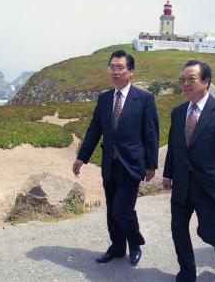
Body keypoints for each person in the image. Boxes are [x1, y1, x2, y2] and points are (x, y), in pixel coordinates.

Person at [72, 50, 159, 266]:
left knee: (122, 210)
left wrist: (151, 165)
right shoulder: (104, 98)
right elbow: (94, 130)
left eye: (120, 67)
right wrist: (81, 157)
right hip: (109, 164)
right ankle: (117, 247)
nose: (116, 71)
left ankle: (135, 242)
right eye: (112, 67)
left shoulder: (144, 99)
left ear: (131, 71)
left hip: (132, 164)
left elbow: (151, 133)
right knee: (112, 211)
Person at [163, 60, 215, 281]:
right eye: (183, 79)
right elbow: (175, 145)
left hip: (210, 186)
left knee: (208, 232)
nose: (186, 83)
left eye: (192, 79)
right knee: (178, 230)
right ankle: (187, 273)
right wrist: (168, 173)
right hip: (181, 184)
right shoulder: (178, 112)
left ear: (206, 82)